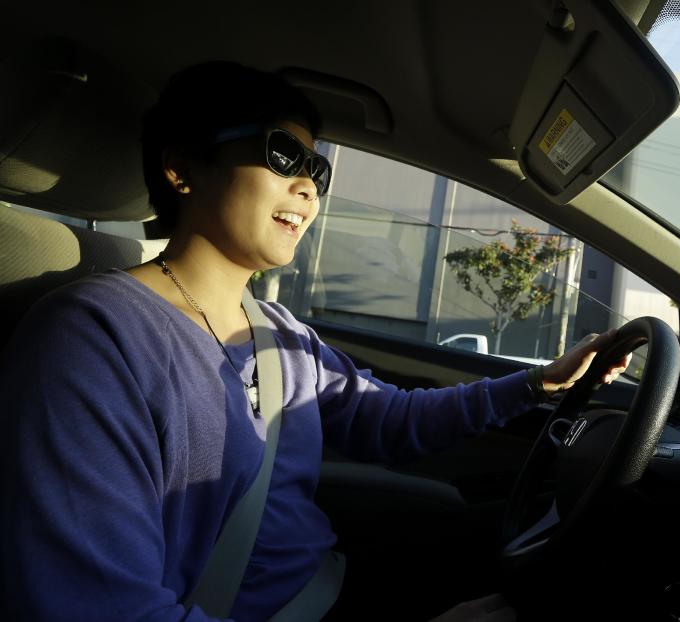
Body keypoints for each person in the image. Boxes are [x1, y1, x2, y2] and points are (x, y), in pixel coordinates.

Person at [0, 62, 630, 621]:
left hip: (329, 583)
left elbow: (387, 420)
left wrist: (536, 383)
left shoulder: (280, 333)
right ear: (183, 167)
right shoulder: (92, 339)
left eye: (316, 169)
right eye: (282, 156)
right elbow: (105, 606)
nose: (308, 186)